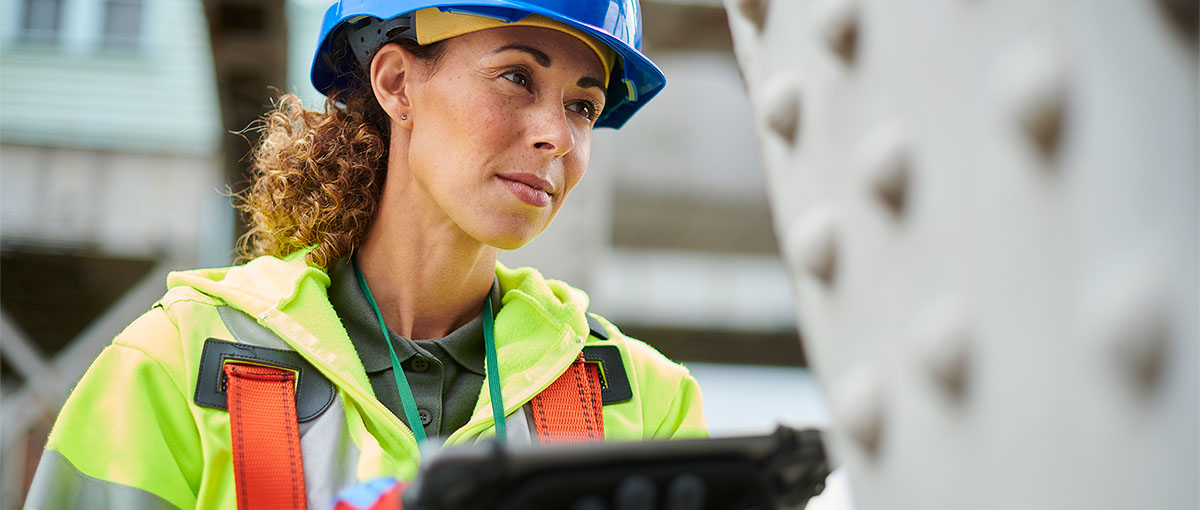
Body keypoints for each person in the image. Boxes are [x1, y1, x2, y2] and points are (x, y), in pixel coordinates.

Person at [24, 1, 707, 508]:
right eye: (517, 79)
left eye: (584, 107)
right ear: (396, 84)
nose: (556, 135)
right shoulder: (175, 363)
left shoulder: (646, 404)